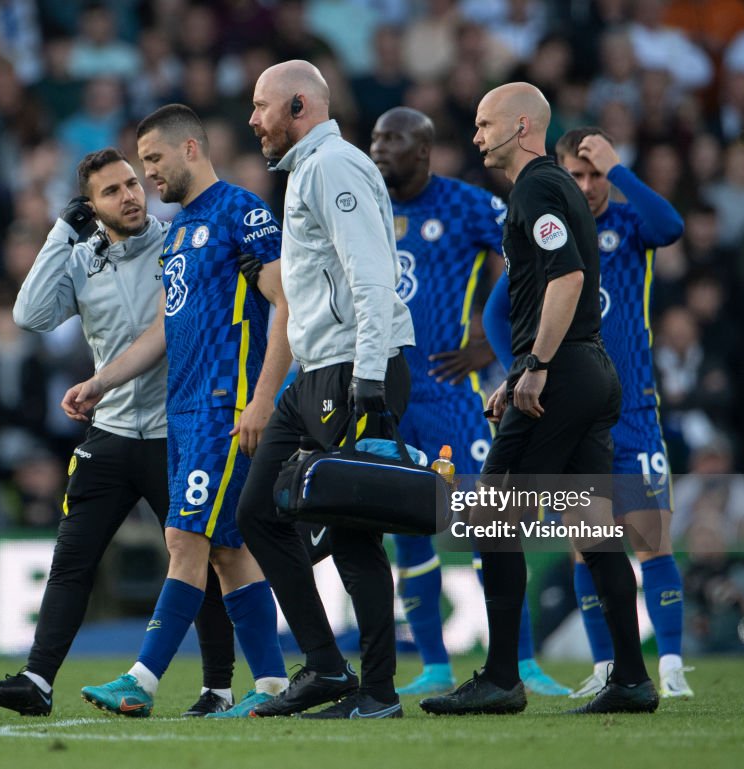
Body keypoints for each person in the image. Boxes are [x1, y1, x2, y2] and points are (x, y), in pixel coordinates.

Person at [0, 147, 237, 718]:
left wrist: (98, 381)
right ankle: (37, 682)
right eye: (112, 191)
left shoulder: (177, 241)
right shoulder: (82, 259)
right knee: (72, 561)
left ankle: (217, 688)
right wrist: (61, 231)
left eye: (133, 183)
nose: (131, 196)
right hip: (110, 433)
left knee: (202, 558)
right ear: (90, 208)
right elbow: (29, 315)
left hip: (176, 428)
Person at [420, 82, 658, 716]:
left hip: (567, 374)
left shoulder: (536, 187)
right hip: (586, 370)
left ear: (521, 126)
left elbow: (568, 276)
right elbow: (557, 285)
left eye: (483, 124)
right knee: (598, 530)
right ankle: (632, 679)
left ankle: (501, 678)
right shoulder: (547, 188)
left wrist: (536, 366)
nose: (474, 137)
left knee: (490, 514)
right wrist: (526, 363)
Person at [63, 105, 292, 719]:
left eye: (154, 162)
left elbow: (287, 305)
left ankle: (140, 680)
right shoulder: (182, 229)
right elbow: (164, 326)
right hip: (184, 412)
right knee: (225, 551)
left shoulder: (241, 212)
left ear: (190, 148)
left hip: (225, 405)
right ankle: (273, 684)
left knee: (183, 535)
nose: (148, 177)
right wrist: (100, 382)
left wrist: (263, 398)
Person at [368, 106, 569, 698]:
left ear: (425, 150)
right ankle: (433, 664)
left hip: (450, 396)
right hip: (385, 394)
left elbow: (534, 259)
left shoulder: (466, 204)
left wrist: (490, 340)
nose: (380, 148)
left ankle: (522, 662)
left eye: (393, 138)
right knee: (405, 532)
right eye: (376, 137)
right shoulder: (362, 207)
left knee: (492, 522)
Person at [239, 59, 414, 719]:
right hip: (316, 373)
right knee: (259, 510)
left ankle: (378, 692)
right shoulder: (309, 170)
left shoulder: (333, 167)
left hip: (353, 369)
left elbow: (371, 274)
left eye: (262, 106)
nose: (252, 118)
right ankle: (324, 665)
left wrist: (369, 371)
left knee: (351, 531)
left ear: (299, 107)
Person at [542, 127, 692, 699]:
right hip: (573, 417)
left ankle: (673, 666)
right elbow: (499, 312)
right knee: (585, 542)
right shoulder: (548, 237)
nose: (588, 186)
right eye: (576, 175)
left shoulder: (629, 228)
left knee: (652, 539)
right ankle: (606, 666)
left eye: (596, 174)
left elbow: (671, 227)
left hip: (633, 411)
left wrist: (622, 168)